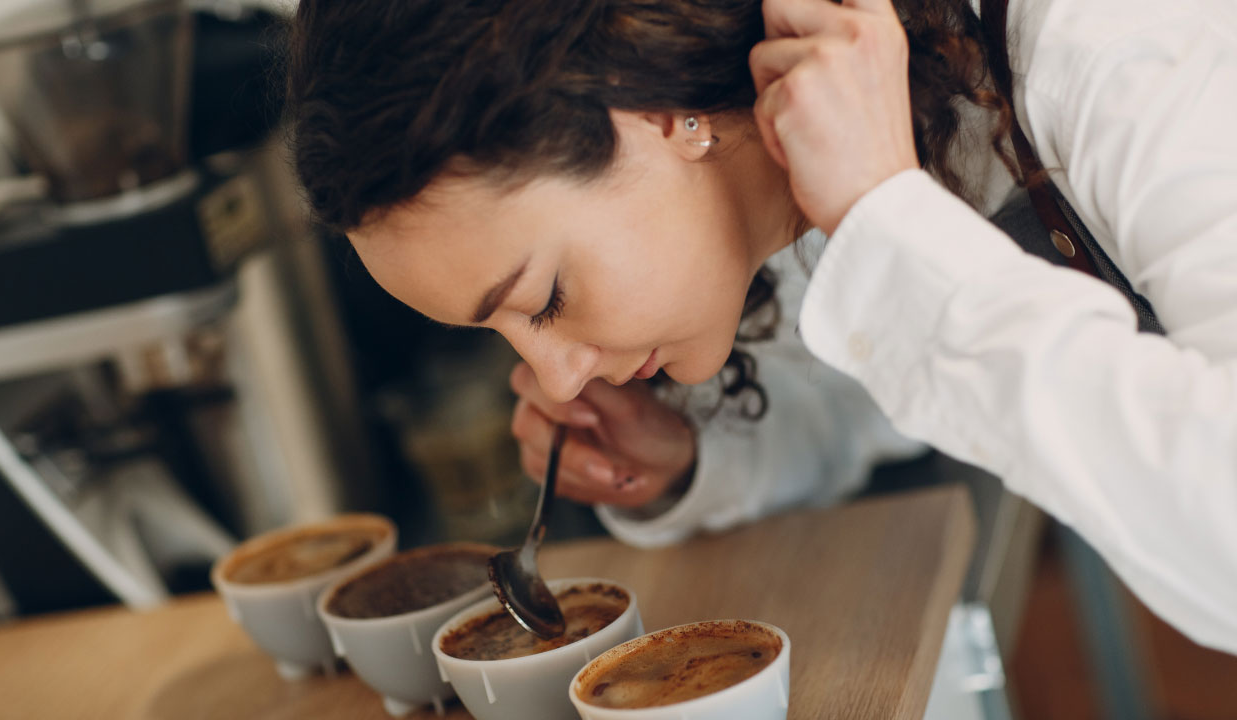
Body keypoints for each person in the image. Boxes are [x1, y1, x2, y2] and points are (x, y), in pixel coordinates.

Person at [285, 0, 1237, 653]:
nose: (560, 378)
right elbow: (866, 393)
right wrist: (687, 463)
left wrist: (883, 218)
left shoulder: (1110, 41)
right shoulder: (779, 156)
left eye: (545, 299)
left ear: (656, 113)